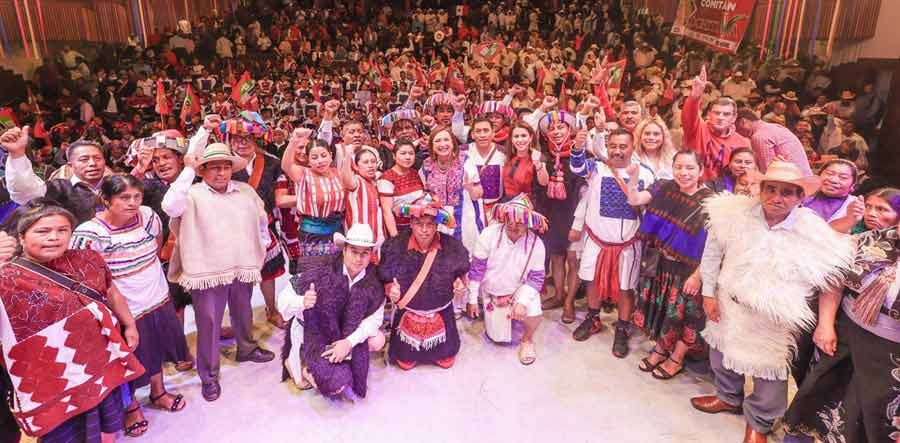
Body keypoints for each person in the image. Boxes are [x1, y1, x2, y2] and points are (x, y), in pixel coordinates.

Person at [691, 161, 854, 443]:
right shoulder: (733, 214)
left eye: (787, 192)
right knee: (720, 352)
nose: (777, 198)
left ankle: (759, 421)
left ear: (800, 197)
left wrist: (825, 322)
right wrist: (708, 293)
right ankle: (728, 397)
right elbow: (712, 253)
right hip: (728, 301)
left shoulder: (811, 230)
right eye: (771, 189)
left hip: (772, 317)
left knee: (768, 373)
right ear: (761, 189)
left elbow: (832, 275)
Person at [0, 200, 144, 442]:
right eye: (43, 231)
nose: (54, 237)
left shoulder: (88, 259)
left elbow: (110, 291)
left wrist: (129, 323)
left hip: (102, 363)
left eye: (62, 230)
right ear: (22, 237)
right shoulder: (6, 278)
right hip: (53, 383)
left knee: (109, 424)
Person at [70, 174, 189, 437]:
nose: (132, 203)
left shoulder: (148, 216)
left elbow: (155, 247)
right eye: (124, 197)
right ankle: (130, 407)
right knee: (128, 359)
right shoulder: (90, 233)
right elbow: (86, 277)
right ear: (105, 200)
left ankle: (159, 392)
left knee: (157, 348)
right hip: (124, 308)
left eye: (137, 196)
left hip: (157, 296)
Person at [162, 142, 275, 402]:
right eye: (214, 168)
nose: (221, 173)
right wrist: (188, 170)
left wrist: (261, 245)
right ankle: (209, 376)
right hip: (207, 269)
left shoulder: (245, 191)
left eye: (225, 167)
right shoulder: (190, 195)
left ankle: (246, 348)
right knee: (209, 322)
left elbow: (261, 219)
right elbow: (169, 207)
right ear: (202, 171)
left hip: (241, 263)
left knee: (243, 310)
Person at [782, 194, 900, 443]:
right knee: (819, 392)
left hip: (890, 354)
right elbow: (834, 281)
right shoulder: (866, 241)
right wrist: (825, 325)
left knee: (874, 415)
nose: (873, 212)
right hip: (843, 333)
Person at [626, 150, 713, 379]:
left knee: (684, 317)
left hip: (689, 271)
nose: (683, 173)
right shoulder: (664, 188)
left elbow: (715, 247)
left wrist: (698, 275)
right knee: (665, 311)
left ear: (701, 170)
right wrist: (633, 177)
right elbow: (634, 199)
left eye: (690, 168)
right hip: (662, 265)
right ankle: (660, 349)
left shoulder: (712, 202)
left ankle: (677, 358)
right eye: (679, 167)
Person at [569, 128, 655, 357]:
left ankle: (623, 328)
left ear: (632, 146)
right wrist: (578, 147)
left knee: (626, 287)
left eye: (622, 146)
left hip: (628, 243)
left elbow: (651, 208)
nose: (617, 151)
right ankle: (593, 318)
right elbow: (576, 167)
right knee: (591, 280)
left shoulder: (645, 173)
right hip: (596, 239)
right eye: (613, 146)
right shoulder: (596, 167)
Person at [282, 223, 386, 399]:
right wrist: (302, 301)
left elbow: (375, 320)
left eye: (364, 253)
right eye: (354, 251)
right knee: (336, 384)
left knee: (377, 340)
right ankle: (304, 365)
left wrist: (348, 343)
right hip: (318, 333)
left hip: (345, 332)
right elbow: (283, 301)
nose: (359, 259)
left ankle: (337, 357)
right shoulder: (322, 269)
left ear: (371, 255)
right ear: (344, 250)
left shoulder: (374, 280)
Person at [377, 193, 469, 370]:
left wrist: (460, 283)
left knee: (446, 360)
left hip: (441, 313)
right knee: (405, 362)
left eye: (430, 225)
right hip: (408, 314)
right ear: (411, 223)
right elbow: (385, 276)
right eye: (419, 224)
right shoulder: (394, 246)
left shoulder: (452, 247)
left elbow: (461, 272)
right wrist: (390, 290)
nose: (424, 230)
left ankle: (441, 350)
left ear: (437, 225)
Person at [219, 111, 288, 328]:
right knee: (237, 279)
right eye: (237, 138)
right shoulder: (221, 165)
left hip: (265, 227)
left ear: (255, 139)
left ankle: (271, 309)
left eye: (247, 138)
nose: (242, 143)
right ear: (229, 141)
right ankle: (240, 318)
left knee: (268, 273)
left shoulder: (272, 163)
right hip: (233, 231)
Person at [467, 194, 547, 365]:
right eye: (510, 219)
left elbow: (537, 278)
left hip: (519, 289)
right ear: (504, 217)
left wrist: (523, 302)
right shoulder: (488, 235)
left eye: (520, 222)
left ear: (528, 223)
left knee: (535, 313)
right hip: (492, 290)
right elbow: (477, 269)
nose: (513, 225)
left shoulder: (536, 244)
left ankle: (527, 340)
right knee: (497, 338)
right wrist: (473, 299)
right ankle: (495, 312)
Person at [529, 109, 586, 325]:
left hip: (574, 214)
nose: (556, 131)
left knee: (573, 259)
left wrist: (579, 221)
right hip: (552, 213)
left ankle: (570, 301)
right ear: (545, 134)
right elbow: (541, 185)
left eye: (561, 127)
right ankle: (559, 295)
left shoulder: (580, 154)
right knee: (556, 257)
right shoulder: (542, 156)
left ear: (570, 129)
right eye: (551, 128)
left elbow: (585, 190)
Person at [3, 126, 111, 224]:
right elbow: (26, 192)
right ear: (70, 166)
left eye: (97, 158)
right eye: (84, 159)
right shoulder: (58, 189)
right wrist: (17, 154)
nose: (92, 163)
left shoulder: (118, 185)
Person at [281, 129, 346, 274]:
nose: (320, 160)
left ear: (330, 156)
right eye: (314, 157)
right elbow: (286, 165)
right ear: (309, 161)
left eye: (323, 155)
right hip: (312, 233)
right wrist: (294, 141)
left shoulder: (338, 173)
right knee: (315, 274)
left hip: (337, 231)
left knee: (336, 272)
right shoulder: (304, 173)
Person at [681, 66, 751, 180]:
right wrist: (694, 97)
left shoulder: (742, 143)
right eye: (717, 113)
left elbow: (748, 174)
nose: (720, 117)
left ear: (734, 118)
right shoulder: (698, 130)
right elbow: (688, 116)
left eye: (726, 114)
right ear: (708, 114)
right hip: (695, 189)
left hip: (725, 194)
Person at [419, 127, 481, 240]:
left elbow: (478, 194)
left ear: (453, 143)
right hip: (438, 219)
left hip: (465, 218)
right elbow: (425, 194)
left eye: (446, 140)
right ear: (432, 146)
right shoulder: (426, 165)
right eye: (437, 141)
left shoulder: (465, 161)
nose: (442, 144)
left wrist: (470, 188)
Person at [460, 116, 507, 251]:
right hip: (470, 210)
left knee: (494, 248)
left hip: (495, 211)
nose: (482, 135)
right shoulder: (462, 151)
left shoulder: (504, 152)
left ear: (493, 132)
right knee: (472, 247)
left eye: (486, 130)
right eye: (478, 131)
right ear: (472, 134)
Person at [734, 108, 813, 176]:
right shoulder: (774, 127)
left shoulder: (759, 136)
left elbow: (768, 171)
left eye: (736, 128)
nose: (737, 132)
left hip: (794, 181)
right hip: (803, 177)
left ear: (743, 122)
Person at [340, 145, 384, 251]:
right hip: (358, 241)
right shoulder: (357, 181)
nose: (370, 165)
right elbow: (346, 179)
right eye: (366, 162)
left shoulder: (378, 182)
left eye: (373, 162)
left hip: (377, 240)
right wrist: (347, 157)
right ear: (356, 166)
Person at [378, 138, 425, 237]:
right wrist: (396, 238)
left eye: (411, 153)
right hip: (401, 230)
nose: (408, 157)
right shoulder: (386, 178)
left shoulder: (415, 173)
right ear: (394, 156)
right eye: (403, 153)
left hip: (420, 228)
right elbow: (387, 212)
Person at [803, 159, 864, 233]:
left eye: (843, 178)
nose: (833, 180)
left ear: (853, 184)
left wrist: (849, 218)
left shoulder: (855, 205)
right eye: (829, 174)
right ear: (819, 176)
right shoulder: (803, 196)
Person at [502, 122, 549, 202]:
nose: (520, 140)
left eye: (523, 136)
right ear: (511, 139)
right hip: (507, 204)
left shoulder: (538, 157)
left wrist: (537, 163)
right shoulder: (508, 156)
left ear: (530, 138)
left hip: (527, 206)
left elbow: (544, 182)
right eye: (516, 136)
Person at [633, 116, 676, 180]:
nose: (651, 138)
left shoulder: (674, 157)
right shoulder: (632, 158)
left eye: (656, 134)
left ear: (664, 137)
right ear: (639, 136)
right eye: (647, 134)